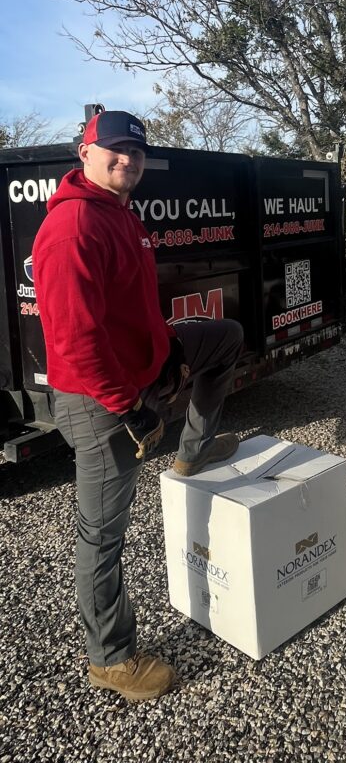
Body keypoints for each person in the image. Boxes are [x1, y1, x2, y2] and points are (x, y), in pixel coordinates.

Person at [32, 110, 243, 701]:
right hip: (100, 398)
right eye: (116, 150)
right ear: (86, 153)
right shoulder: (74, 227)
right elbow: (75, 341)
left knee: (225, 338)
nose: (129, 160)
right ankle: (110, 657)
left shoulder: (121, 213)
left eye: (138, 152)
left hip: (143, 369)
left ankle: (190, 456)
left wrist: (169, 347)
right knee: (102, 533)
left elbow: (132, 307)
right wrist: (130, 407)